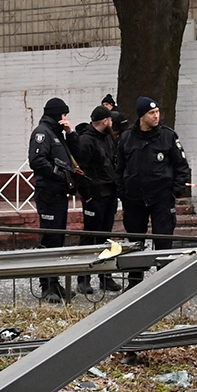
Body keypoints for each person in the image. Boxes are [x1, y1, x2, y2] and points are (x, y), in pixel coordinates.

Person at [117, 96, 190, 282]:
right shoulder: (127, 138)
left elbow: (181, 166)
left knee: (163, 240)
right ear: (142, 116)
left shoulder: (168, 136)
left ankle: (163, 283)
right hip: (134, 198)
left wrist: (175, 191)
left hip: (161, 198)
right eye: (151, 113)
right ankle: (135, 282)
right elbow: (119, 168)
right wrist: (122, 193)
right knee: (134, 242)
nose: (156, 116)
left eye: (157, 112)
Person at [28, 97, 79, 303]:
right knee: (49, 238)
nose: (65, 118)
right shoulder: (43, 133)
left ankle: (55, 282)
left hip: (59, 194)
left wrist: (70, 133)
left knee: (58, 238)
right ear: (57, 114)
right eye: (64, 115)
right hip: (48, 192)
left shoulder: (57, 134)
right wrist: (59, 175)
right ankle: (46, 285)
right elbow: (37, 160)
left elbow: (74, 155)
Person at [70, 102, 123, 294]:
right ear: (104, 121)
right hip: (95, 195)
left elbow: (109, 163)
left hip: (108, 193)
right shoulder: (87, 140)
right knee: (90, 235)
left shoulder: (106, 138)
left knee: (105, 236)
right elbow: (80, 170)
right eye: (110, 119)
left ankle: (105, 276)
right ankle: (83, 278)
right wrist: (87, 195)